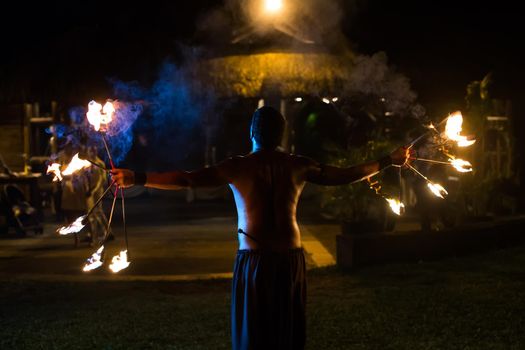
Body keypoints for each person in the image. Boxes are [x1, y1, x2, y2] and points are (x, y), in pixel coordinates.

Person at [111, 106, 410, 350]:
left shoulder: (238, 166)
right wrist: (388, 160)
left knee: (256, 338)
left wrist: (136, 177)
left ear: (252, 132)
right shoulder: (298, 164)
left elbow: (187, 180)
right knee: (284, 334)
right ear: (281, 134)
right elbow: (346, 175)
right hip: (289, 259)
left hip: (256, 261)